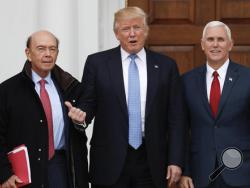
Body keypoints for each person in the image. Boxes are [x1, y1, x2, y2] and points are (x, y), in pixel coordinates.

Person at [65, 6, 186, 188]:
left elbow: (176, 117)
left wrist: (175, 160)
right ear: (116, 34)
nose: (132, 34)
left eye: (137, 28)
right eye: (125, 29)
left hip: (152, 160)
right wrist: (80, 118)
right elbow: (88, 104)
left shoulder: (166, 66)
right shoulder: (97, 63)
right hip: (109, 161)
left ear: (145, 31)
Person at [0, 30, 89, 188]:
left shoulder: (70, 88)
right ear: (28, 53)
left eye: (52, 49)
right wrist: (5, 174)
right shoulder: (7, 90)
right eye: (41, 48)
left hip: (61, 168)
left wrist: (79, 122)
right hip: (23, 173)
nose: (48, 54)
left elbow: (80, 130)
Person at [179, 21, 250, 188]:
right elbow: (181, 130)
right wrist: (185, 170)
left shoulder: (247, 79)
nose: (215, 44)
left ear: (230, 44)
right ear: (203, 45)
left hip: (242, 171)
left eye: (221, 39)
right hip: (200, 174)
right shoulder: (186, 81)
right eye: (210, 39)